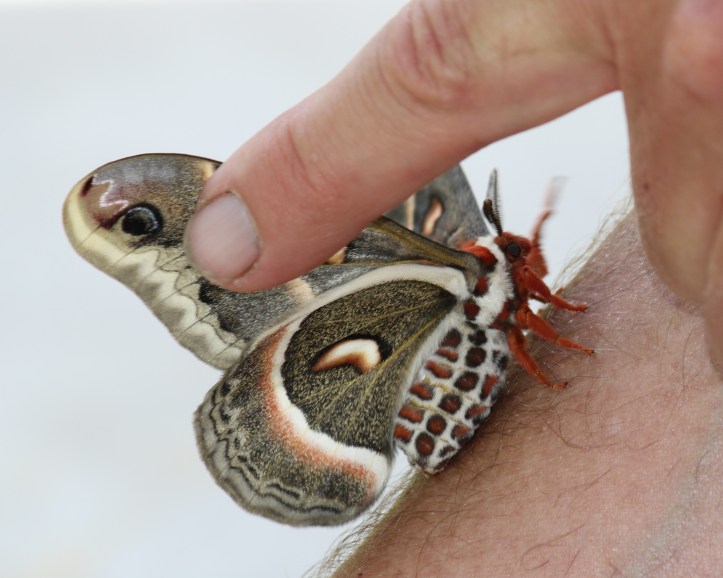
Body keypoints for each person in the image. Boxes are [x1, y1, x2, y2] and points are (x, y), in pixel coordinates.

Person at [185, 1, 723, 574]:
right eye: (517, 252)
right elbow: (532, 324)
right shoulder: (458, 273)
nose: (526, 259)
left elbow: (536, 312)